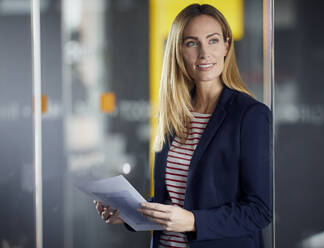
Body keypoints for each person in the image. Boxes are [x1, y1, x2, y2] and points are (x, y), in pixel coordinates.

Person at [94, 3, 271, 248]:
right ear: (178, 51)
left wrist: (194, 221)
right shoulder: (174, 113)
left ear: (226, 46)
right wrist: (128, 213)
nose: (204, 53)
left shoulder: (250, 115)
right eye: (191, 43)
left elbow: (259, 211)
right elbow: (171, 201)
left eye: (213, 41)